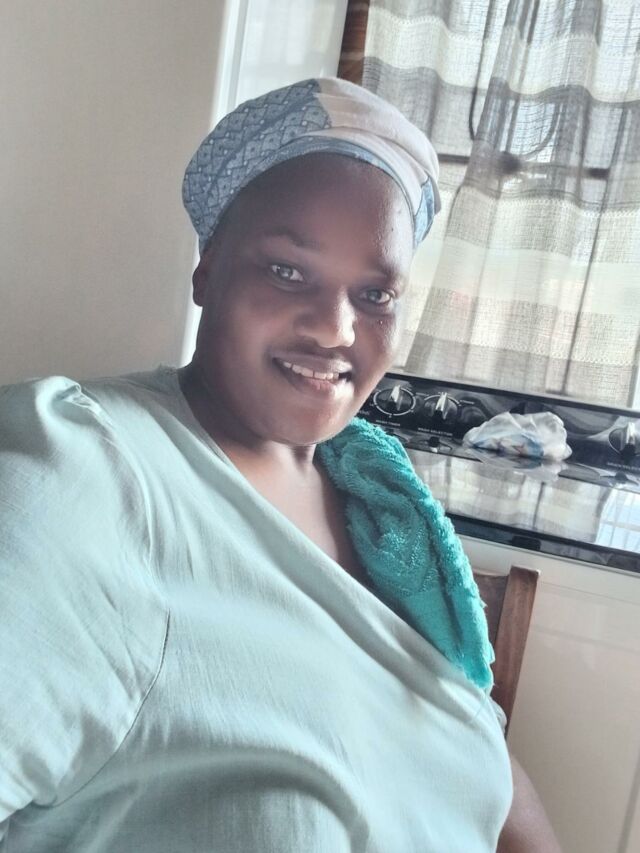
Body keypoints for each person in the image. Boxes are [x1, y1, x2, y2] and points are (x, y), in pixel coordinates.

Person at [0, 78, 561, 851]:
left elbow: (472, 739)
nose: (335, 329)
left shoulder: (376, 501)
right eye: (288, 272)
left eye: (375, 294)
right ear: (208, 269)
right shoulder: (87, 476)